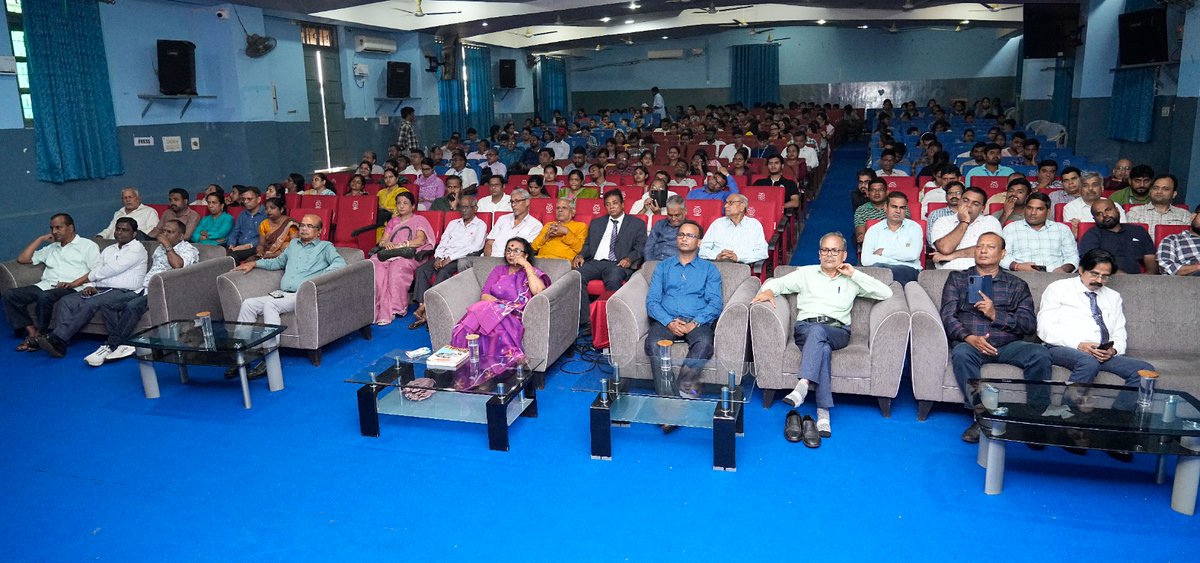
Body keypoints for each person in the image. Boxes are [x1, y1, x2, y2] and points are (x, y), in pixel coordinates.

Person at [752, 232, 892, 443]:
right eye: (825, 250)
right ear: (819, 254)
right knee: (822, 347)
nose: (829, 254)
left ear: (844, 254)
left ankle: (802, 384)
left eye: (835, 250)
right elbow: (775, 283)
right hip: (805, 330)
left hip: (838, 332)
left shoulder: (852, 279)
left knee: (820, 333)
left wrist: (855, 274)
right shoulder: (805, 273)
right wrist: (769, 291)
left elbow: (885, 293)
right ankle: (823, 413)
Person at [940, 232, 1051, 443]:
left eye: (990, 247)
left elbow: (1028, 325)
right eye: (979, 246)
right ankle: (983, 416)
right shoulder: (958, 279)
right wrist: (968, 337)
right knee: (961, 353)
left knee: (1039, 354)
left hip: (1008, 345)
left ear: (1002, 254)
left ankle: (1035, 419)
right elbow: (947, 316)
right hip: (972, 344)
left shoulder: (1016, 284)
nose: (983, 250)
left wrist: (995, 315)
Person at [1038, 249, 1155, 416]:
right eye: (1094, 274)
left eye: (1105, 276)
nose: (1099, 280)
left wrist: (1113, 350)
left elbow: (1119, 331)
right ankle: (1066, 416)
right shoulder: (1058, 288)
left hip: (1100, 352)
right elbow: (1044, 327)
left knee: (1144, 370)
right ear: (1081, 270)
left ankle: (1116, 419)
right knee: (1088, 362)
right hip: (1062, 347)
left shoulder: (1114, 296)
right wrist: (1080, 345)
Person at [231, 214, 345, 378]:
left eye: (309, 226)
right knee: (249, 304)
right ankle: (241, 355)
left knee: (271, 305)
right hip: (283, 294)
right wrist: (255, 263)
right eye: (302, 225)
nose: (304, 229)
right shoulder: (293, 245)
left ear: (319, 231)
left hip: (302, 295)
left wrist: (317, 279)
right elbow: (277, 262)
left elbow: (340, 264)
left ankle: (270, 358)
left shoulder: (325, 247)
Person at [85, 219, 200, 366]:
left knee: (132, 306)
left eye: (170, 232)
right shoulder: (159, 249)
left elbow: (178, 265)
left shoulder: (189, 250)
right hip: (144, 288)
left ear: (181, 236)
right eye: (163, 231)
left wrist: (168, 246)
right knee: (108, 304)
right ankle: (124, 344)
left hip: (163, 291)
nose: (164, 234)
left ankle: (110, 345)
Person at [36, 218, 148, 358]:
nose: (119, 232)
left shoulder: (137, 249)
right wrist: (90, 285)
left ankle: (58, 337)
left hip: (123, 290)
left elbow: (111, 269)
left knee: (89, 303)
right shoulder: (109, 249)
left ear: (134, 233)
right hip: (101, 288)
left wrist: (81, 281)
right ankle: (61, 344)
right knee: (67, 301)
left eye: (125, 230)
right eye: (118, 229)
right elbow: (96, 268)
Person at [645, 219, 723, 402]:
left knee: (704, 343)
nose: (684, 238)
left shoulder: (709, 270)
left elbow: (715, 303)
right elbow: (652, 301)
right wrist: (669, 322)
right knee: (653, 343)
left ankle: (680, 388)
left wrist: (694, 323)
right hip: (666, 319)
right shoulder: (662, 267)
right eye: (681, 234)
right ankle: (668, 397)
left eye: (690, 235)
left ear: (699, 241)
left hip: (697, 320)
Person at [448, 236, 549, 376]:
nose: (511, 254)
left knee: (490, 320)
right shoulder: (499, 270)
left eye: (516, 251)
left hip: (515, 312)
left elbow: (538, 291)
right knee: (477, 313)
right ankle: (469, 364)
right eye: (508, 250)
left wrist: (526, 266)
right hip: (494, 307)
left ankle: (496, 367)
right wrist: (499, 307)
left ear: (525, 255)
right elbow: (485, 295)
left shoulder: (532, 272)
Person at [2, 213, 100, 352]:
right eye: (52, 228)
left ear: (70, 228)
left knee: (45, 296)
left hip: (71, 287)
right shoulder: (51, 248)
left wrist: (77, 283)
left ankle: (41, 335)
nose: (54, 231)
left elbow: (96, 270)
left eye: (58, 227)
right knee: (10, 294)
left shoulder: (87, 246)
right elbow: (23, 259)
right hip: (45, 285)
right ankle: (31, 332)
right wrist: (40, 239)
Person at [408, 195, 488, 329]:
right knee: (422, 270)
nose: (463, 210)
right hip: (443, 256)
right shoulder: (453, 224)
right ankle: (424, 310)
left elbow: (475, 247)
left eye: (467, 207)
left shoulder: (480, 225)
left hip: (460, 258)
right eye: (461, 207)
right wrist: (438, 257)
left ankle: (427, 308)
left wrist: (451, 258)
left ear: (475, 208)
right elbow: (443, 241)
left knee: (443, 272)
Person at [574, 190, 647, 325]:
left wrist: (629, 259)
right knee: (576, 276)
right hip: (595, 263)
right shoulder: (596, 223)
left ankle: (611, 321)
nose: (611, 207)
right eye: (607, 204)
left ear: (622, 204)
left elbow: (640, 247)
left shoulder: (636, 224)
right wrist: (581, 255)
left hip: (618, 263)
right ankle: (587, 321)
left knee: (613, 277)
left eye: (615, 203)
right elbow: (588, 245)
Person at [371, 191, 436, 326]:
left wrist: (400, 245)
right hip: (390, 253)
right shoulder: (393, 221)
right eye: (399, 203)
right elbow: (382, 241)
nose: (401, 206)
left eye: (405, 203)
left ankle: (396, 308)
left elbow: (420, 240)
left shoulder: (419, 220)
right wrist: (386, 244)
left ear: (413, 206)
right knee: (375, 266)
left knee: (396, 268)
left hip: (411, 254)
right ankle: (376, 306)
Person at [999, 192, 1078, 273]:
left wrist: (1063, 270)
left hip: (1056, 275)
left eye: (1039, 209)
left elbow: (1072, 257)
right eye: (1030, 208)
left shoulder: (1062, 229)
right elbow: (1001, 256)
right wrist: (1017, 266)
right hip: (1020, 275)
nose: (1033, 213)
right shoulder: (1011, 228)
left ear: (1048, 212)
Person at [929, 187, 1003, 270]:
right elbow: (945, 249)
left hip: (981, 271)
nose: (969, 205)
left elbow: (990, 250)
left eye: (975, 204)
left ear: (982, 208)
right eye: (965, 201)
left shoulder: (991, 221)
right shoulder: (942, 221)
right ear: (959, 201)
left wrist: (953, 255)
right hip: (949, 271)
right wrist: (964, 222)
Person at [1079, 199, 1156, 274]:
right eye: (1099, 214)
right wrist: (1121, 276)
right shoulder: (1091, 236)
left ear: (1117, 210)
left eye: (1108, 210)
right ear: (1094, 219)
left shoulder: (1138, 231)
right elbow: (1092, 263)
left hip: (1139, 279)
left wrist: (1146, 278)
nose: (1105, 215)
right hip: (1106, 278)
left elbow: (1151, 260)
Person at [861, 191, 923, 284]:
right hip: (880, 269)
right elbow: (865, 260)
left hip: (908, 271)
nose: (898, 211)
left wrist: (883, 252)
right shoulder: (874, 230)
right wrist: (893, 260)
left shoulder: (914, 228)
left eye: (902, 208)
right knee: (877, 271)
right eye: (894, 207)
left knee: (880, 273)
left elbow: (913, 255)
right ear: (886, 207)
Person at [698, 194, 768, 265]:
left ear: (742, 207)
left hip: (741, 266)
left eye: (730, 203)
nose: (725, 206)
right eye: (726, 202)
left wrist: (738, 257)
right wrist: (717, 256)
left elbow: (762, 252)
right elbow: (702, 249)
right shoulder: (717, 223)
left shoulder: (754, 225)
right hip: (717, 264)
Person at [1127, 174, 1191, 238]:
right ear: (1150, 191)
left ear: (1174, 194)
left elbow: (1189, 241)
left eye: (1165, 189)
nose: (1159, 191)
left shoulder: (1184, 215)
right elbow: (1130, 239)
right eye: (1155, 188)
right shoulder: (1136, 212)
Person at [1062, 171, 1126, 236]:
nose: (1090, 188)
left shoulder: (1114, 206)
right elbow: (1072, 236)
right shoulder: (1070, 208)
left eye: (1095, 185)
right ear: (1080, 190)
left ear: (1102, 188)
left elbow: (1123, 231)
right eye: (1085, 186)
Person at [483, 189, 542, 257]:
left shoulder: (535, 225)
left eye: (517, 201)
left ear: (527, 202)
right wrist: (489, 260)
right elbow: (489, 243)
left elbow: (527, 250)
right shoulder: (502, 219)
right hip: (491, 258)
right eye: (512, 201)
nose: (513, 205)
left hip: (513, 261)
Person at [226, 187, 266, 263]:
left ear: (258, 200)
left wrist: (248, 245)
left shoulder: (266, 214)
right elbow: (235, 232)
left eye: (249, 199)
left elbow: (267, 236)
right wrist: (231, 244)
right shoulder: (242, 214)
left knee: (233, 256)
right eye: (244, 199)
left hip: (255, 247)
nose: (245, 202)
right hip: (238, 246)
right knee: (220, 252)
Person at [1157, 206, 1200, 276]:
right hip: (1190, 279)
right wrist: (1197, 267)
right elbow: (1166, 267)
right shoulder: (1172, 239)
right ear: (1193, 216)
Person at [643, 196, 687, 261]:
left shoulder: (690, 228)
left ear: (685, 212)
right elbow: (648, 247)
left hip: (675, 264)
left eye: (677, 215)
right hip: (654, 262)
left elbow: (691, 253)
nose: (673, 219)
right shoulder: (659, 224)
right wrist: (650, 263)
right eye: (670, 215)